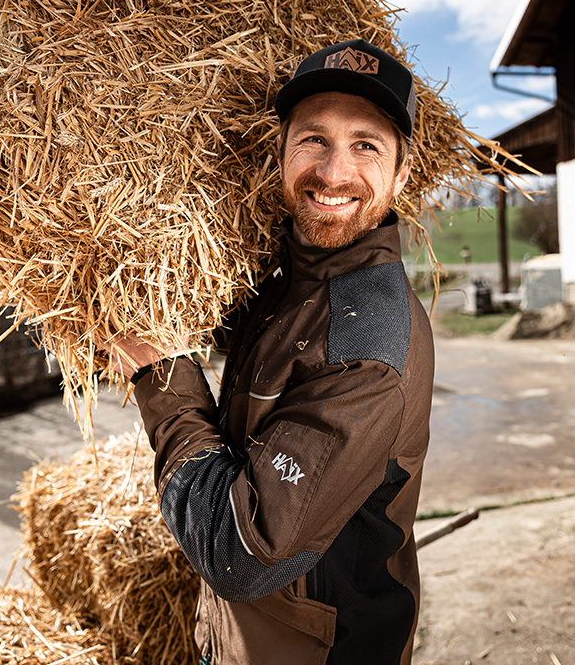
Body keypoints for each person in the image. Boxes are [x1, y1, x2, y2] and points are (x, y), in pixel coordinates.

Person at [103, 39, 435, 664]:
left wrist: (161, 377)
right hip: (243, 644)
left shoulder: (369, 348)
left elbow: (241, 551)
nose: (334, 173)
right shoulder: (289, 285)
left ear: (402, 171)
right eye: (314, 139)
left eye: (366, 145)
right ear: (281, 150)